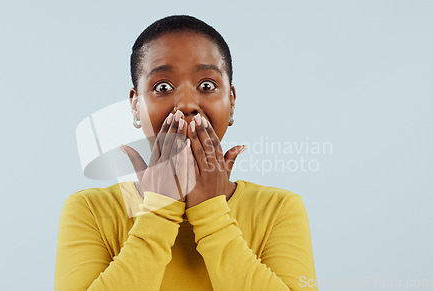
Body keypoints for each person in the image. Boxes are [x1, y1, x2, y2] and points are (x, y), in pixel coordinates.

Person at [55, 15, 318, 291]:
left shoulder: (278, 209)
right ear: (135, 106)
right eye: (162, 87)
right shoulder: (90, 211)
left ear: (231, 100)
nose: (186, 104)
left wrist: (212, 214)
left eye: (207, 86)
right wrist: (158, 212)